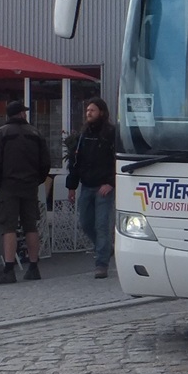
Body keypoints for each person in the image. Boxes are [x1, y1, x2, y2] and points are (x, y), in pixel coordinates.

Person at [0, 100, 52, 285]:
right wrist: (36, 179)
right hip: (30, 185)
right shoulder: (35, 133)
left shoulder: (1, 134)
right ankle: (33, 266)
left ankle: (9, 269)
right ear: (21, 114)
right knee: (31, 225)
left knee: (9, 227)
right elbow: (46, 162)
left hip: (7, 186)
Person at [65, 98, 116, 279]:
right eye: (87, 110)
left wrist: (111, 182)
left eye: (92, 110)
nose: (88, 113)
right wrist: (72, 186)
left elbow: (116, 160)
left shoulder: (111, 133)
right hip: (87, 186)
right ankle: (105, 248)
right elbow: (76, 161)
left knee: (102, 225)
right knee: (86, 223)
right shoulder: (83, 135)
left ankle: (101, 263)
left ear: (101, 112)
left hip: (104, 187)